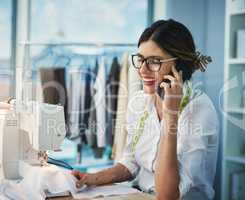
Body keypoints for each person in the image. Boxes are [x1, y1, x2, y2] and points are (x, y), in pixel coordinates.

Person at [71, 19, 218, 200]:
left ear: (179, 65)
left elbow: (167, 195)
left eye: (154, 62)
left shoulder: (199, 110)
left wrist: (170, 116)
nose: (142, 70)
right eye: (140, 60)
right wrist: (92, 178)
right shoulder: (140, 102)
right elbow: (130, 163)